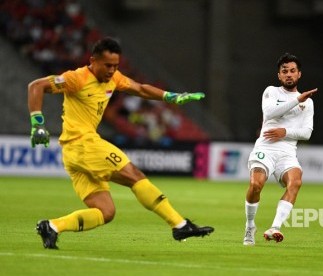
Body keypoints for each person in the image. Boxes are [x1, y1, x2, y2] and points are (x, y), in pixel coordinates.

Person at [28, 37, 214, 249]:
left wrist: (171, 97)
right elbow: (36, 85)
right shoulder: (76, 78)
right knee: (134, 175)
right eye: (107, 65)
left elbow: (141, 89)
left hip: (73, 154)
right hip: (83, 144)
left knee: (105, 212)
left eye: (115, 66)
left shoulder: (113, 78)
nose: (111, 70)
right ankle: (179, 225)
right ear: (93, 60)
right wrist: (37, 123)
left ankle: (51, 227)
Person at [243, 53, 317, 245]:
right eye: (284, 71)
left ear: (299, 74)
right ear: (279, 76)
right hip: (265, 147)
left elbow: (307, 133)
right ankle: (250, 225)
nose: (289, 74)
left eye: (292, 71)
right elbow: (269, 112)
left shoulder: (308, 103)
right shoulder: (271, 92)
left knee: (296, 182)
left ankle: (275, 227)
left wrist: (285, 131)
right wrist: (296, 100)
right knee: (256, 185)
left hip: (287, 151)